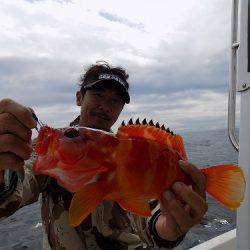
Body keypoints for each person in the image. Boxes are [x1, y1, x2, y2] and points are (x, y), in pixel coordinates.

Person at [0, 61, 208, 249]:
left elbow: (147, 211)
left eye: (115, 101)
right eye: (98, 95)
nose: (105, 106)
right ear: (79, 97)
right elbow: (19, 185)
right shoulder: (53, 147)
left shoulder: (131, 153)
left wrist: (167, 228)